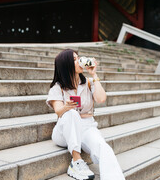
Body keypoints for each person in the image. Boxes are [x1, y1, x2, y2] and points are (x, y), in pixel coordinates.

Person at [46, 49, 125, 180]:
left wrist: (94, 75)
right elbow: (58, 110)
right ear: (67, 65)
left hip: (87, 127)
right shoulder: (57, 87)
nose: (79, 61)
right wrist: (67, 106)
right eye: (75, 59)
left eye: (78, 58)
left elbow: (101, 99)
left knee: (104, 148)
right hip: (64, 131)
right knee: (71, 113)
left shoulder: (88, 82)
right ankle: (76, 162)